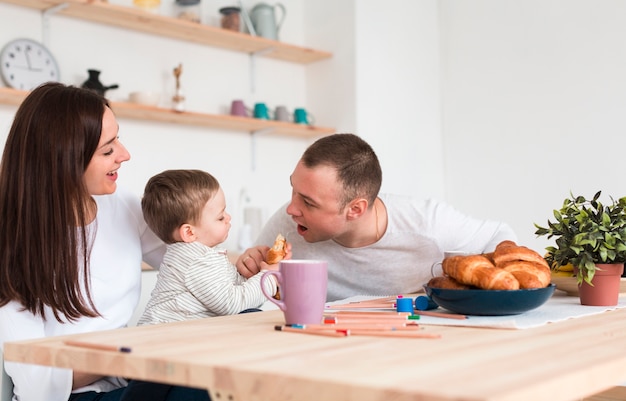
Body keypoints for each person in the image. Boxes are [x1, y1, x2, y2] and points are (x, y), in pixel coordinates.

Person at [0, 83, 210, 401]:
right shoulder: (13, 242)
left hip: (127, 378)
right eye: (108, 149)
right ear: (64, 161)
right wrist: (134, 351)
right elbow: (38, 385)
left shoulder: (123, 205)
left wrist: (241, 271)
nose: (125, 155)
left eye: (118, 140)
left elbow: (189, 269)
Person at [236, 133, 518, 301]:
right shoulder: (287, 226)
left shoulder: (427, 222)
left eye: (308, 202)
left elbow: (499, 235)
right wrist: (248, 270)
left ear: (355, 209)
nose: (291, 208)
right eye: (293, 190)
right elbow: (254, 296)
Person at [138, 169, 278, 325]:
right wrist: (269, 277)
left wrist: (256, 275)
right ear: (189, 232)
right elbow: (233, 304)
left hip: (180, 334)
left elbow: (235, 293)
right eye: (220, 217)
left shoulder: (199, 255)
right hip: (163, 336)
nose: (228, 217)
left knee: (251, 314)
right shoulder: (197, 260)